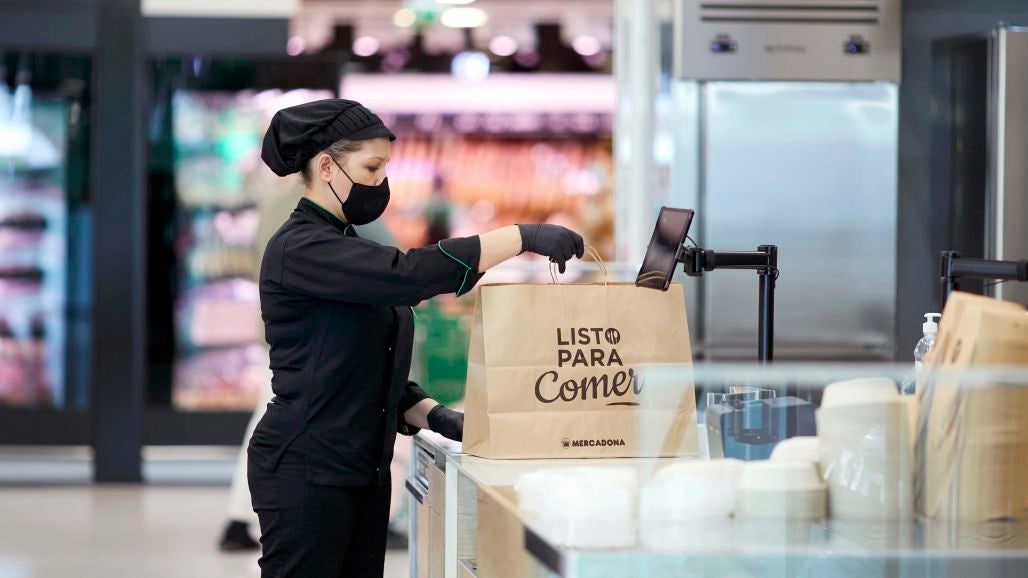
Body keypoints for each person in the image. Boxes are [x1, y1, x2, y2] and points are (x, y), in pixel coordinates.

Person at [248, 98, 585, 578]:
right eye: (371, 168)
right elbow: (407, 274)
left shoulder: (346, 245)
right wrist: (519, 237)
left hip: (359, 467)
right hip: (307, 468)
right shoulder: (301, 248)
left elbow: (362, 365)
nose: (381, 181)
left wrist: (435, 416)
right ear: (325, 167)